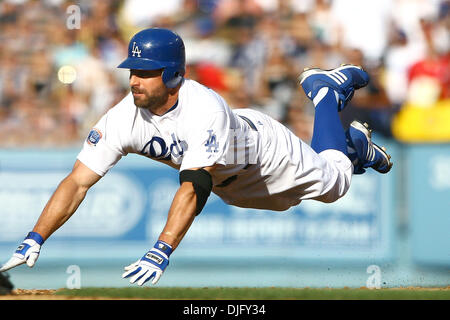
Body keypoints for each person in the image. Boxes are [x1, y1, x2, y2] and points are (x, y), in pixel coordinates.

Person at [0, 28, 392, 286]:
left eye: (146, 71)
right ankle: (354, 148)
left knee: (336, 185)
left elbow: (194, 185)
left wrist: (161, 249)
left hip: (267, 157)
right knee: (311, 184)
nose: (134, 79)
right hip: (233, 186)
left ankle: (324, 93)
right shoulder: (124, 116)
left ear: (172, 74)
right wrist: (36, 237)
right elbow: (77, 181)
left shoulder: (202, 108)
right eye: (132, 69)